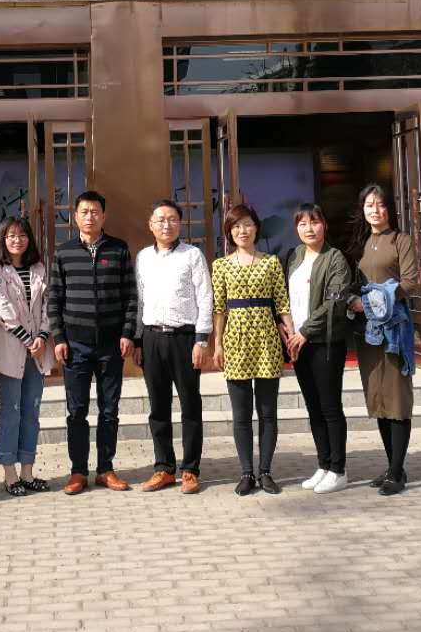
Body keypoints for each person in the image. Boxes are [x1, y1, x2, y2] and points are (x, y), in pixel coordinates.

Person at [48, 190, 138, 495]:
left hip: (111, 345)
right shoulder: (64, 253)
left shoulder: (119, 249)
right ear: (75, 216)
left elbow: (130, 296)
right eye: (84, 212)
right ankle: (78, 471)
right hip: (75, 346)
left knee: (109, 410)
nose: (90, 217)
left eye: (95, 211)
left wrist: (127, 333)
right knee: (76, 412)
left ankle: (105, 469)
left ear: (104, 215)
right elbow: (54, 299)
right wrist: (59, 337)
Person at [211, 204, 292, 496]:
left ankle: (266, 471)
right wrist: (217, 343)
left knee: (268, 412)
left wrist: (291, 334)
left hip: (266, 340)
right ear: (229, 232)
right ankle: (246, 472)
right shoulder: (220, 265)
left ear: (256, 227)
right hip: (235, 341)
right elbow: (219, 308)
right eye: (235, 226)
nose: (242, 231)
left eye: (247, 224)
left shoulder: (271, 263)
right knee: (241, 413)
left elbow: (281, 302)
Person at [284, 203, 363, 496]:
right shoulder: (294, 256)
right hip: (299, 343)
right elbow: (286, 297)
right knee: (313, 407)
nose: (309, 228)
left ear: (324, 225)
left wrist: (304, 331)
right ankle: (324, 464)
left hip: (325, 342)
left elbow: (335, 302)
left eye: (314, 222)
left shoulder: (335, 258)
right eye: (302, 223)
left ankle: (338, 470)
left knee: (330, 407)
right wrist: (288, 330)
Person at [134, 198, 212, 495]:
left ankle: (190, 469)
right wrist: (138, 339)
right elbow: (140, 301)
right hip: (152, 338)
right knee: (158, 407)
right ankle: (164, 468)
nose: (166, 225)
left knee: (190, 405)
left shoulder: (192, 255)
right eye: (160, 220)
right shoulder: (143, 257)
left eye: (172, 219)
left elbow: (205, 297)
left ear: (180, 223)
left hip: (185, 339)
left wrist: (202, 339)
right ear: (150, 225)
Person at [348, 184, 421, 496]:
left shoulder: (401, 240)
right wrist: (353, 301)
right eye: (369, 205)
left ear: (389, 208)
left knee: (397, 398)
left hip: (394, 329)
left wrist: (373, 300)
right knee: (378, 397)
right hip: (369, 333)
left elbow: (411, 283)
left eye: (380, 204)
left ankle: (396, 472)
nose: (375, 210)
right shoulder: (362, 242)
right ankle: (394, 467)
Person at [0, 216, 53, 496]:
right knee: (10, 412)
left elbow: (48, 304)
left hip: (38, 351)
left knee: (31, 412)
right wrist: (28, 339)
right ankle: (10, 475)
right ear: (2, 239)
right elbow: (0, 309)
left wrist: (42, 337)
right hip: (10, 350)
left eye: (22, 235)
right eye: (11, 235)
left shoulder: (39, 268)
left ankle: (27, 472)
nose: (17, 240)